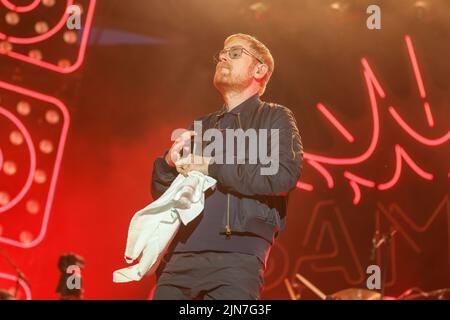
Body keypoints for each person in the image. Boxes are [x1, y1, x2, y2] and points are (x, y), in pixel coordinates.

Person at [151, 33, 303, 300]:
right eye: (221, 54)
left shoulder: (275, 117)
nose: (222, 57)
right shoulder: (202, 125)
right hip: (180, 255)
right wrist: (168, 165)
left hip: (237, 258)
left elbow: (281, 176)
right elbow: (163, 197)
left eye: (234, 53)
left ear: (259, 69)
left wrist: (211, 167)